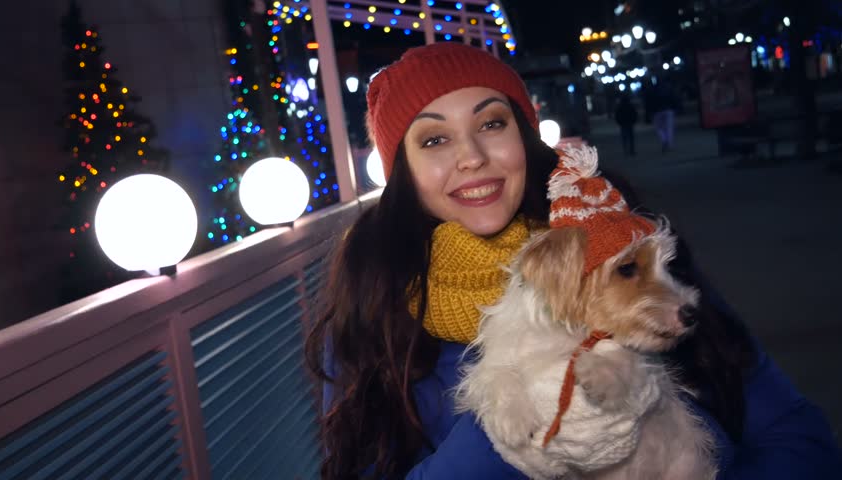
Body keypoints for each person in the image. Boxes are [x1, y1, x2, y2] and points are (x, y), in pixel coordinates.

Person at [304, 42, 841, 480]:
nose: (471, 157)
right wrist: (516, 430)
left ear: (523, 133)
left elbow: (792, 430)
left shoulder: (624, 247)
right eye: (435, 138)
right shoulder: (372, 308)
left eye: (492, 124)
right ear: (403, 171)